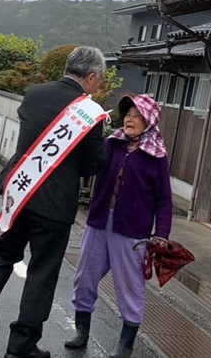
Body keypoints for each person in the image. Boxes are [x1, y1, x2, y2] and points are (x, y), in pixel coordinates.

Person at [0, 46, 107, 358]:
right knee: (41, 272)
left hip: (19, 191)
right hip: (55, 206)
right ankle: (21, 345)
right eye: (100, 81)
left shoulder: (34, 93)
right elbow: (92, 165)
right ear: (92, 76)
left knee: (0, 254)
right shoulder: (89, 113)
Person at [64, 94, 173, 358]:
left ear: (148, 122)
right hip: (99, 223)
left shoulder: (156, 158)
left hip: (132, 232)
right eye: (127, 114)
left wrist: (161, 234)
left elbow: (164, 201)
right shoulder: (111, 144)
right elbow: (91, 164)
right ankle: (81, 331)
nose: (129, 119)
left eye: (136, 116)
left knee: (130, 287)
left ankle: (125, 345)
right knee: (85, 277)